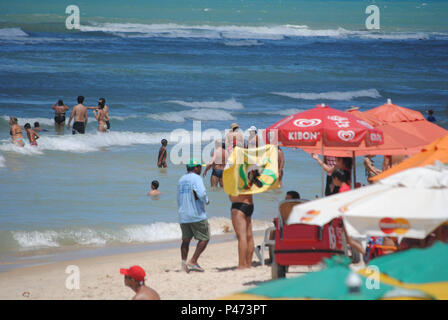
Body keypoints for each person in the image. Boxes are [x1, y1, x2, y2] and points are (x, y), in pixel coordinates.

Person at [177, 159, 210, 272]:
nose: (200, 169)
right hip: (196, 214)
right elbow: (201, 193)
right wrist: (206, 200)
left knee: (186, 240)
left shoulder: (181, 179)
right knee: (205, 238)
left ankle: (183, 264)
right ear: (195, 167)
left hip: (183, 214)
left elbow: (178, 197)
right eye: (199, 167)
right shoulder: (196, 178)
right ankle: (193, 260)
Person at [229, 192, 254, 269]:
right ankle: (248, 264)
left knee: (241, 237)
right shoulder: (249, 179)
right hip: (250, 204)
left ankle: (241, 265)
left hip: (238, 205)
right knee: (249, 235)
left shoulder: (236, 179)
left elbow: (225, 185)